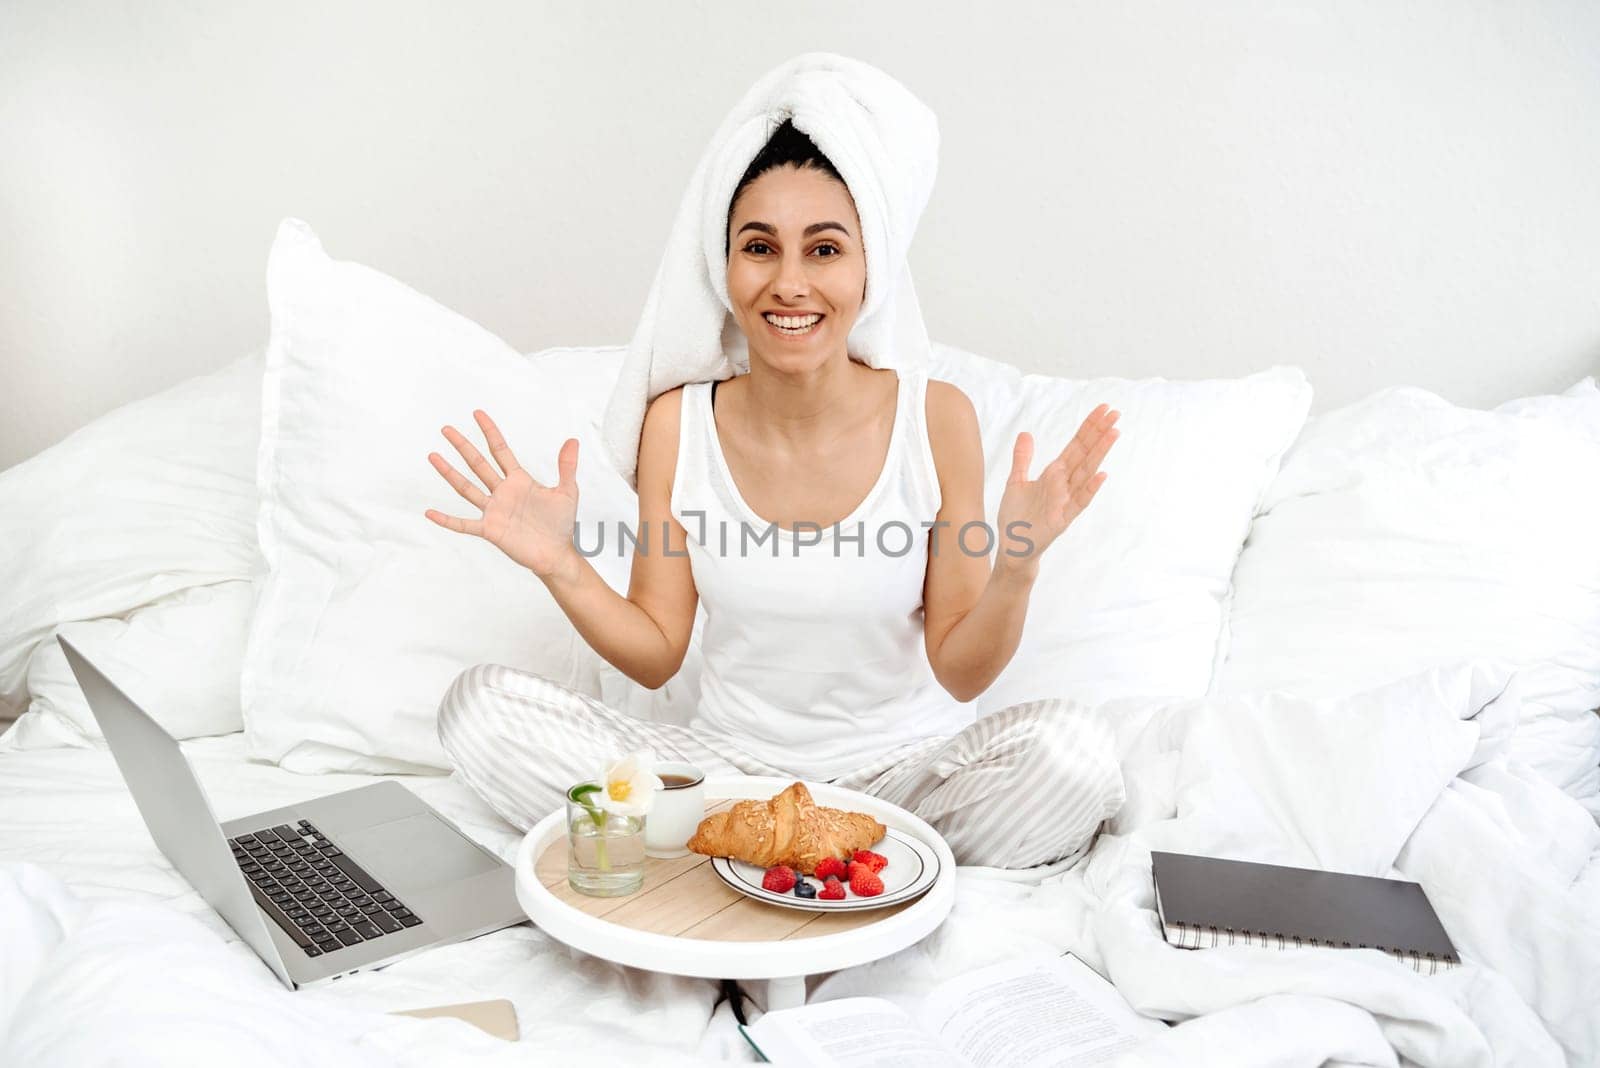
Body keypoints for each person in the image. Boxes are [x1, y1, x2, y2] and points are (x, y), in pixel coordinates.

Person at [423, 120, 1125, 869]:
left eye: (824, 249)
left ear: (868, 270)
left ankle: (796, 860)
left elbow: (960, 668)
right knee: (479, 711)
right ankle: (817, 863)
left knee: (1075, 756)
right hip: (731, 781)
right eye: (759, 247)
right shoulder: (677, 424)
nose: (790, 282)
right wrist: (561, 564)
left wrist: (1016, 568)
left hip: (898, 783)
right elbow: (657, 652)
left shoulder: (937, 417)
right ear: (724, 270)